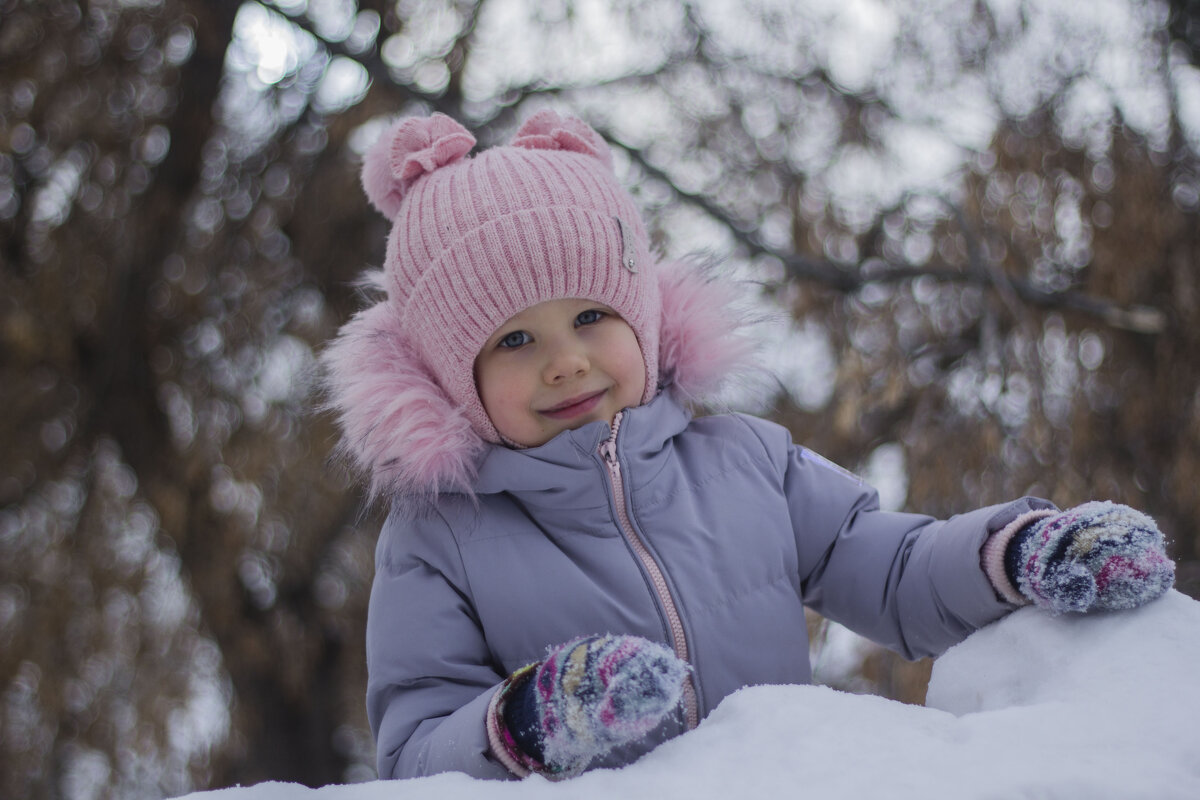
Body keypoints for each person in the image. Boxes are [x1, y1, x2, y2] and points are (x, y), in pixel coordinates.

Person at [320, 110, 1175, 781]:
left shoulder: (743, 463)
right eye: (513, 342)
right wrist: (528, 721)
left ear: (644, 317)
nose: (566, 361)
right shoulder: (440, 540)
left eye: (590, 317)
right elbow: (415, 752)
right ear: (450, 375)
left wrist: (1013, 554)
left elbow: (890, 566)